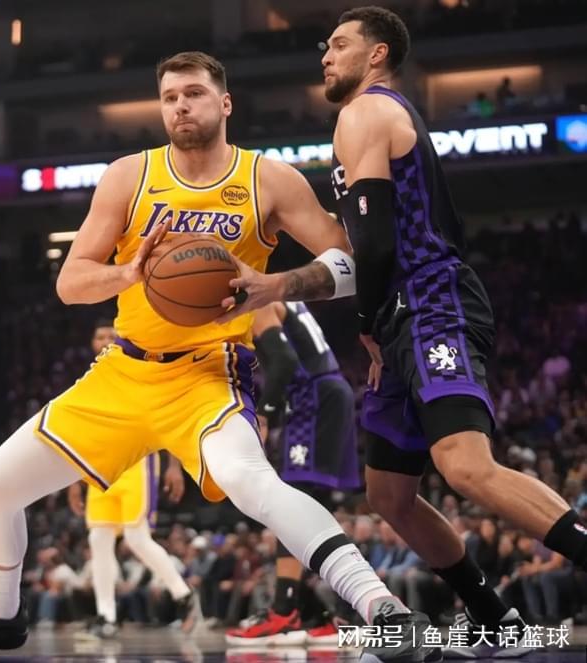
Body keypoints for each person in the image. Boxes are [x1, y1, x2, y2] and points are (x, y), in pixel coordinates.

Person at [0, 50, 434, 663]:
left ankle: (383, 609)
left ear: (225, 103)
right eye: (169, 97)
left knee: (251, 482)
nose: (180, 106)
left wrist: (276, 286)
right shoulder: (128, 176)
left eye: (193, 93)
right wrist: (128, 273)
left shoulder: (269, 180)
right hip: (123, 371)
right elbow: (70, 282)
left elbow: (351, 260)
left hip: (208, 372)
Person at [224, 5, 587, 659]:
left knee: (465, 465)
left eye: (339, 44)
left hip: (429, 302)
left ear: (377, 54)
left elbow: (373, 240)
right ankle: (495, 618)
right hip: (402, 316)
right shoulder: (370, 116)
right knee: (389, 493)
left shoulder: (365, 112)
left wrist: (365, 323)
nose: (325, 55)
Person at [226, 301, 359, 647]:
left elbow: (284, 360)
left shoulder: (258, 301)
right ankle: (320, 613)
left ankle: (285, 612)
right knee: (311, 507)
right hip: (325, 393)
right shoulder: (286, 297)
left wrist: (264, 414)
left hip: (312, 398)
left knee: (293, 504)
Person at [67, 319, 196, 638]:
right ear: (92, 344)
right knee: (98, 541)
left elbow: (165, 418)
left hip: (137, 465)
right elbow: (78, 433)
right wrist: (72, 480)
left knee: (137, 539)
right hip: (101, 469)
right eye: (99, 336)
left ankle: (183, 594)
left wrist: (174, 466)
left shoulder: (141, 368)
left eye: (110, 335)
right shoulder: (88, 382)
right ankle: (106, 616)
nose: (105, 340)